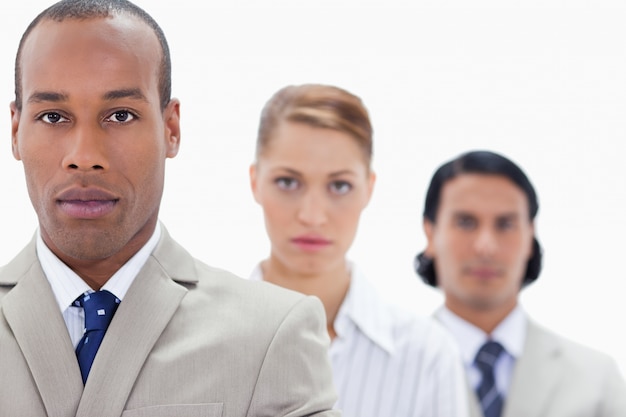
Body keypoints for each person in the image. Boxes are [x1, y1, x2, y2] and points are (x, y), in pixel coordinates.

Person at [0, 1, 340, 416]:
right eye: (53, 117)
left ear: (171, 129)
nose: (84, 156)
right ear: (15, 131)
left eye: (120, 115)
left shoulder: (270, 335)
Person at [248, 83, 469, 417]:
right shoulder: (199, 342)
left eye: (339, 186)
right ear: (255, 182)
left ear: (369, 189)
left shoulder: (427, 356)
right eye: (288, 182)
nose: (312, 215)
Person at [415, 150, 626, 417]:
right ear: (430, 233)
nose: (486, 247)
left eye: (505, 224)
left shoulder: (597, 381)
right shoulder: (389, 367)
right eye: (466, 222)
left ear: (530, 236)